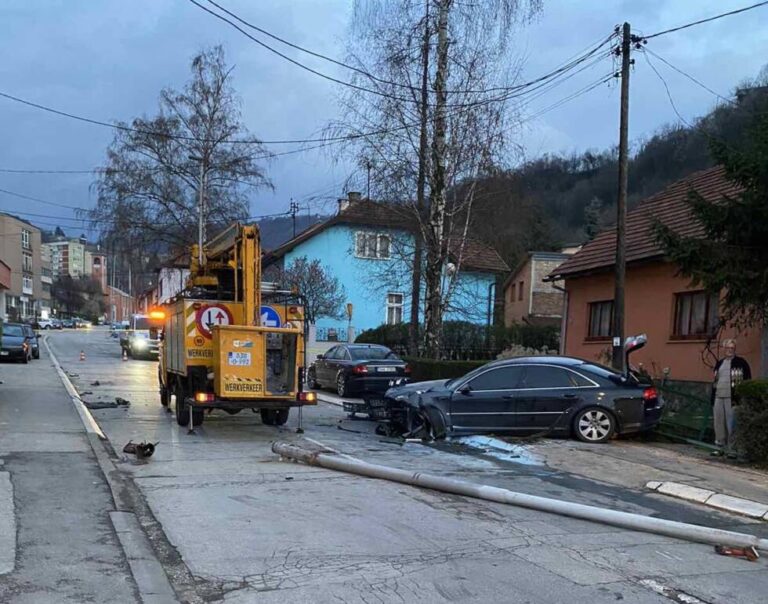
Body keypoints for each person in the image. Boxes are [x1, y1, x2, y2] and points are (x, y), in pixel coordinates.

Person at [711, 339, 751, 457]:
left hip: (732, 398)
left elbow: (747, 379)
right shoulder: (719, 363)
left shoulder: (741, 363)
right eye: (728, 348)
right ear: (724, 349)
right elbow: (715, 381)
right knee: (719, 423)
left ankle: (732, 449)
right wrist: (713, 397)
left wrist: (742, 396)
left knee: (732, 424)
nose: (730, 350)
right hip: (719, 396)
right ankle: (720, 447)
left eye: (732, 348)